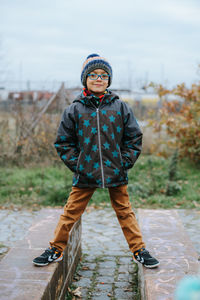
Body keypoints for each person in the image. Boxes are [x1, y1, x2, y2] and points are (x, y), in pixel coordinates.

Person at [32, 54, 159, 269]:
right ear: (85, 79)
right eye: (93, 75)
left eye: (103, 75)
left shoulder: (120, 107)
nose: (98, 79)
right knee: (70, 212)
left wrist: (123, 161)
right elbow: (63, 142)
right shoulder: (74, 109)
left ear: (109, 80)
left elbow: (134, 137)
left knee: (125, 211)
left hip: (115, 172)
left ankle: (139, 250)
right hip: (86, 173)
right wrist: (79, 164)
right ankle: (56, 249)